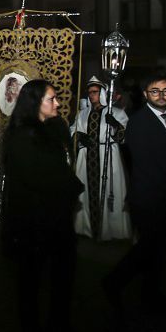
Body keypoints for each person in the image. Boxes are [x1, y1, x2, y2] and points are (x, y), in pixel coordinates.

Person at [0, 80, 84, 332]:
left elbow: (63, 163)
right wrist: (71, 185)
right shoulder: (21, 136)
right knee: (31, 281)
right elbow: (39, 177)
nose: (57, 103)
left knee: (63, 277)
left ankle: (59, 325)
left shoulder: (56, 128)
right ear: (35, 103)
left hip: (58, 219)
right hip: (33, 222)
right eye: (51, 99)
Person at [103, 74, 166, 317]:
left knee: (157, 252)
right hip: (150, 196)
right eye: (154, 91)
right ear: (145, 95)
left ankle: (151, 297)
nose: (161, 96)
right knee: (149, 248)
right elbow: (150, 163)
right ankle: (114, 282)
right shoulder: (140, 122)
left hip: (165, 194)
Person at [71, 76, 130, 241]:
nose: (91, 95)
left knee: (110, 191)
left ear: (103, 92)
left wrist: (116, 125)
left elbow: (125, 136)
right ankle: (87, 227)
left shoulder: (117, 112)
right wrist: (79, 135)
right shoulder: (82, 113)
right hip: (87, 156)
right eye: (89, 92)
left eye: (95, 92)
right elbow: (72, 130)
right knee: (87, 191)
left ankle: (110, 230)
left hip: (107, 156)